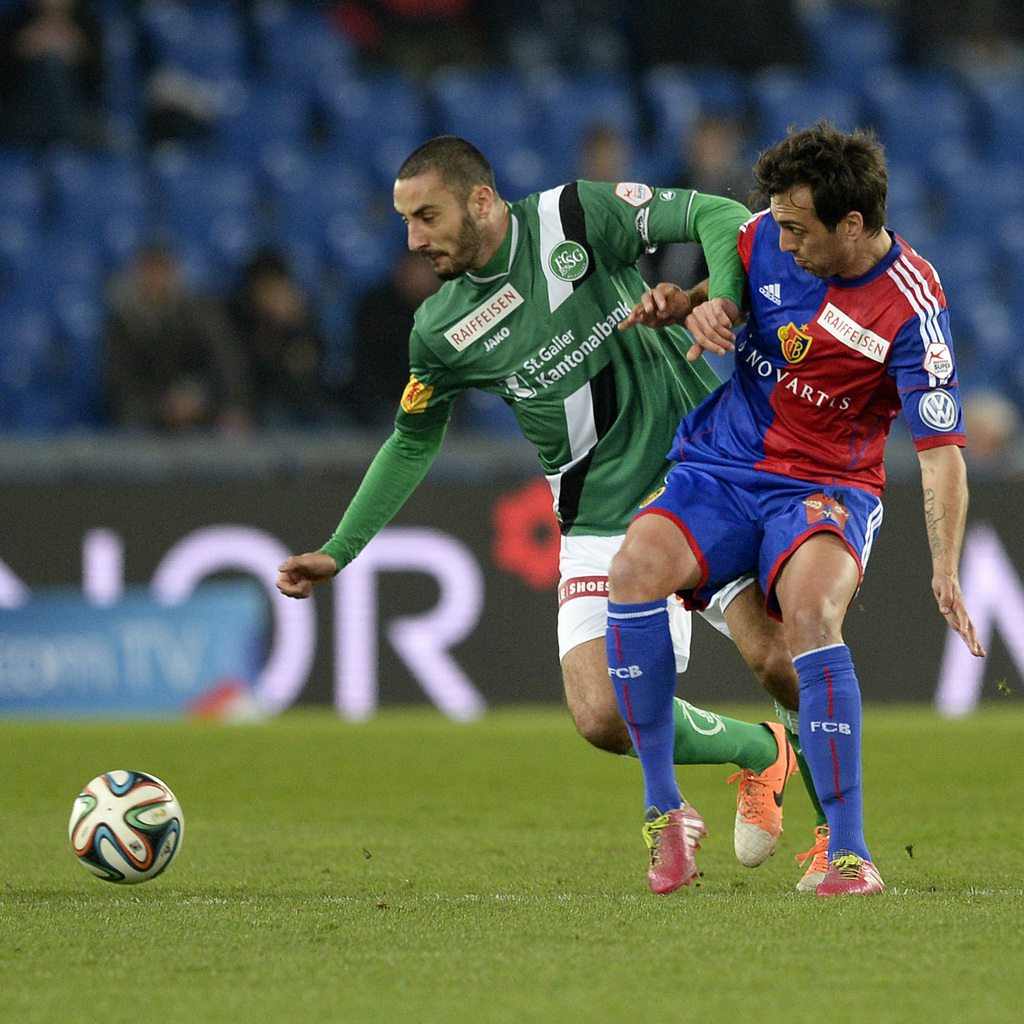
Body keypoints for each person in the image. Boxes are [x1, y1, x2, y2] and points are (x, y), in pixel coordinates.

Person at [276, 135, 821, 894]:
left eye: (426, 216)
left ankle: (839, 838)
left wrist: (720, 297)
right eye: (405, 222)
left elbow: (718, 212)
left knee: (781, 662)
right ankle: (762, 751)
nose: (413, 239)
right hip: (596, 519)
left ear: (479, 199)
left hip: (701, 482)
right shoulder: (439, 330)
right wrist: (340, 549)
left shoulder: (572, 217)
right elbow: (412, 439)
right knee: (601, 716)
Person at [606, 121, 986, 897]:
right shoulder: (762, 239)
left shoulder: (912, 303)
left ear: (852, 225)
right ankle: (663, 812)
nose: (779, 238)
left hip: (826, 486)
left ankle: (849, 855)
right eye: (776, 222)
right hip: (725, 466)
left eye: (796, 227)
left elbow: (941, 450)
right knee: (633, 568)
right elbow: (721, 297)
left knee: (808, 622)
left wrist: (945, 566)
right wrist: (690, 306)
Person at [103, 242, 254, 433]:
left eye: (162, 270)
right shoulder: (122, 324)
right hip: (149, 420)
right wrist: (164, 406)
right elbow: (119, 385)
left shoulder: (200, 314)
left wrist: (202, 399)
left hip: (205, 413)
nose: (156, 280)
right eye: (150, 270)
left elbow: (227, 363)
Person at [230, 248, 340, 428]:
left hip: (311, 407)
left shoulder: (303, 318)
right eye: (266, 288)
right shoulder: (240, 322)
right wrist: (271, 330)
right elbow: (251, 376)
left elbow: (312, 368)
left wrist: (295, 326)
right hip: (264, 409)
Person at [343, 247, 441, 428]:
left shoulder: (444, 310)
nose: (425, 276)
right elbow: (369, 372)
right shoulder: (375, 308)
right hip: (380, 408)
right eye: (420, 267)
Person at [0, 0, 105, 149]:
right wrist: (23, 51)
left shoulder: (87, 26)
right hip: (22, 119)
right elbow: (5, 87)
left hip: (74, 115)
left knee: (53, 66)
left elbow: (97, 88)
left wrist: (78, 54)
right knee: (49, 65)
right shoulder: (12, 24)